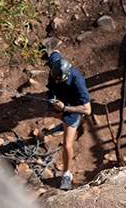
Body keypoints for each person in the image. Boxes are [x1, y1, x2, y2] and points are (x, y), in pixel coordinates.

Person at [45, 51, 91, 191]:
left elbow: (87, 110)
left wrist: (65, 108)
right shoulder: (55, 69)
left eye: (61, 79)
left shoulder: (78, 80)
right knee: (57, 116)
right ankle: (65, 125)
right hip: (61, 103)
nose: (57, 80)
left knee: (66, 145)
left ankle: (66, 174)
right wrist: (52, 99)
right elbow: (51, 86)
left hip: (73, 108)